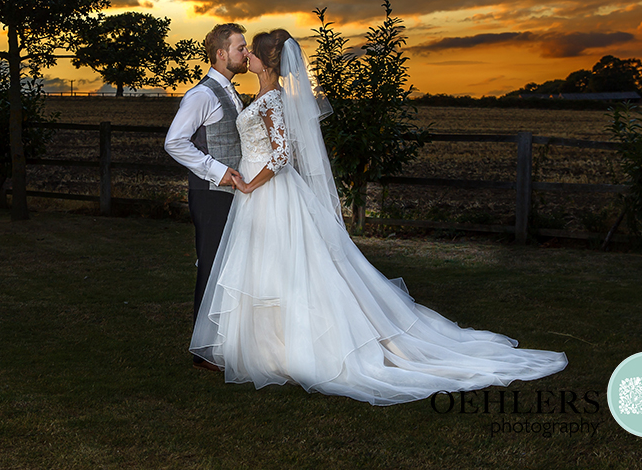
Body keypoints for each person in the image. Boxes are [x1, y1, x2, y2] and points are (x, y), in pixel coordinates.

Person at [189, 30, 568, 404]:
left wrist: (252, 184)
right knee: (266, 265)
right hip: (258, 192)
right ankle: (268, 345)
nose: (247, 57)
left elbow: (281, 155)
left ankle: (295, 347)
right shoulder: (259, 95)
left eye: (251, 52)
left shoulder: (272, 99)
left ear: (266, 62)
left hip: (267, 190)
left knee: (288, 267)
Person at [164, 23, 250, 370]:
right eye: (240, 48)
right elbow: (174, 142)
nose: (246, 53)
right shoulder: (201, 95)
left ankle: (225, 339)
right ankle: (204, 350)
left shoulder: (229, 91)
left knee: (227, 266)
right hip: (212, 192)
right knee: (211, 266)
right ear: (221, 54)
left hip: (230, 192)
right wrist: (217, 171)